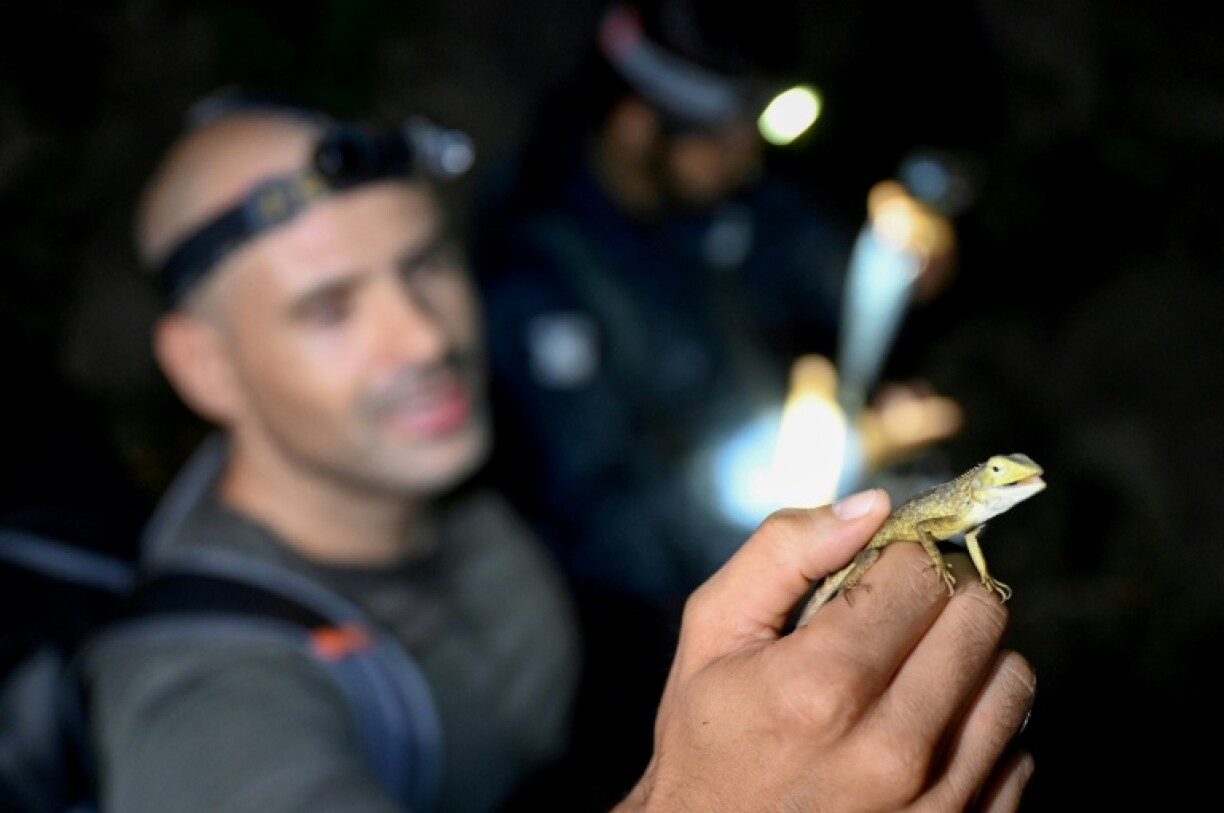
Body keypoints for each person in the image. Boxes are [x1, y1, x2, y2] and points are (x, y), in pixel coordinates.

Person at [82, 93, 1035, 813]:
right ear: (204, 365)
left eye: (423, 265)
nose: (420, 337)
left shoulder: (474, 488)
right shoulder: (203, 697)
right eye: (329, 307)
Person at [470, 0, 962, 792]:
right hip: (648, 638)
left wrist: (894, 259)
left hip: (792, 503)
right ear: (639, 128)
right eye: (725, 137)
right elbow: (595, 526)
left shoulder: (711, 197)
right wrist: (844, 455)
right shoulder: (539, 282)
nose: (746, 158)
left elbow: (808, 257)